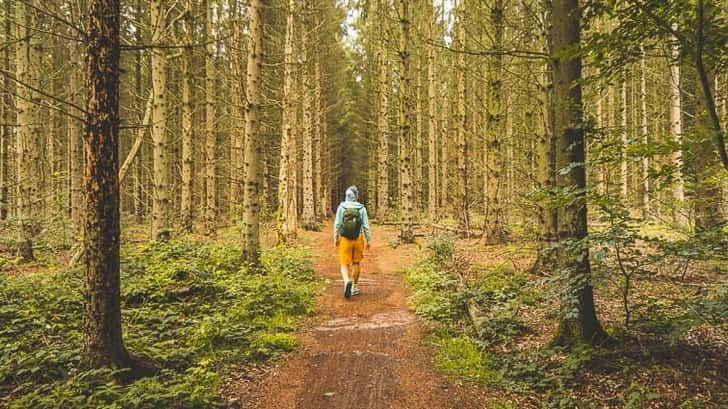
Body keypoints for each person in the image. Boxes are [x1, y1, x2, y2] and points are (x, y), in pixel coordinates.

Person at [334, 186, 371, 299]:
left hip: (345, 239)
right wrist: (368, 240)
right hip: (358, 238)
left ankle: (346, 281)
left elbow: (338, 224)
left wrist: (336, 238)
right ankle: (354, 287)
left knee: (344, 263)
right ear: (356, 196)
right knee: (356, 263)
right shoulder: (361, 208)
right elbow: (366, 226)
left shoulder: (341, 207)